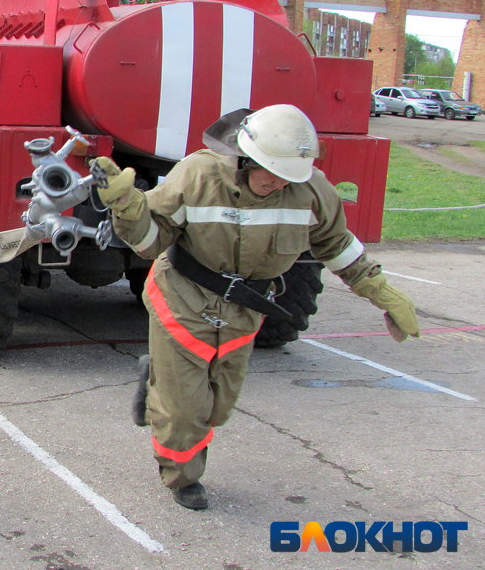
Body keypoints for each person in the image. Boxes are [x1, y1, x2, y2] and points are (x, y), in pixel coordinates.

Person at [96, 105, 421, 511]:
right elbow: (148, 243)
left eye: (288, 175)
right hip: (182, 298)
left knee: (217, 407)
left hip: (244, 311)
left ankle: (158, 382)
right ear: (245, 158)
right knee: (186, 412)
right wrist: (127, 207)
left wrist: (382, 293)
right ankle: (183, 476)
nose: (277, 182)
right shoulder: (197, 176)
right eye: (270, 171)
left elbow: (338, 247)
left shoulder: (312, 190)